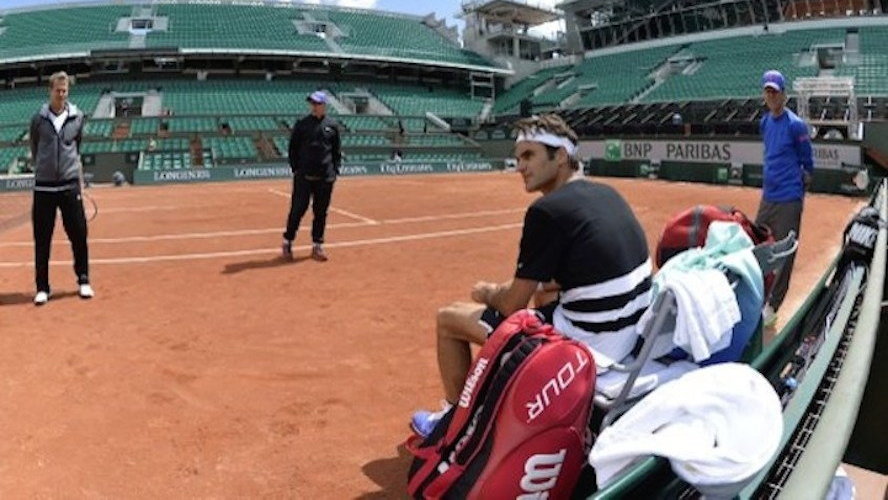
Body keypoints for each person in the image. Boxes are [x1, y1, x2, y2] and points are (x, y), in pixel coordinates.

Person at [410, 114, 652, 437]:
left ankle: (455, 426)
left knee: (449, 318)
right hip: (627, 338)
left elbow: (511, 305)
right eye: (517, 157)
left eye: (529, 156)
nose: (520, 167)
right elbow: (559, 279)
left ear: (561, 156)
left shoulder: (547, 212)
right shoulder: (608, 193)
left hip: (589, 347)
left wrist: (487, 292)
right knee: (545, 293)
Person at [29, 71, 93, 305]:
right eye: (57, 90)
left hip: (69, 185)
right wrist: (43, 168)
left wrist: (77, 177)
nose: (61, 95)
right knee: (42, 239)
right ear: (50, 91)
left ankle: (84, 280)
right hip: (44, 187)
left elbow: (77, 148)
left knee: (79, 235)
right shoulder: (38, 118)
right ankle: (42, 287)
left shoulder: (77, 117)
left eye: (64, 91)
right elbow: (35, 147)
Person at [756, 70, 814, 327]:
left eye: (775, 91)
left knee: (786, 251)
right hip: (768, 197)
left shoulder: (796, 125)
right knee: (759, 247)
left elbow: (807, 162)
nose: (771, 96)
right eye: (767, 91)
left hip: (789, 197)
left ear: (784, 95)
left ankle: (773, 306)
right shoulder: (764, 122)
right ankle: (757, 299)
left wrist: (798, 193)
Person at [281, 91, 341, 262]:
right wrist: (296, 169)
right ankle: (287, 241)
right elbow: (293, 148)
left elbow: (336, 151)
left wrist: (334, 171)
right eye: (312, 103)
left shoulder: (333, 125)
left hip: (325, 178)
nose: (313, 106)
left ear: (324, 105)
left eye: (316, 103)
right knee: (297, 210)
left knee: (321, 212)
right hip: (304, 178)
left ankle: (317, 245)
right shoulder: (302, 124)